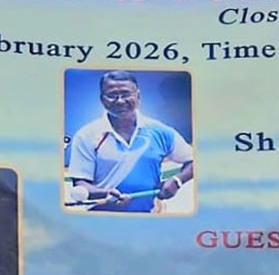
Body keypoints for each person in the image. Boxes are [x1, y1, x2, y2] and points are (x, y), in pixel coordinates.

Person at [65, 71, 194, 212]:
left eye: (126, 94)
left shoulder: (161, 132)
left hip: (147, 219)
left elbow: (195, 162)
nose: (120, 101)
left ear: (138, 96)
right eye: (112, 95)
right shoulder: (86, 135)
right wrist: (105, 194)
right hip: (99, 219)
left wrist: (178, 181)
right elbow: (81, 185)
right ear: (102, 99)